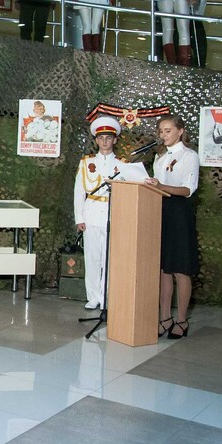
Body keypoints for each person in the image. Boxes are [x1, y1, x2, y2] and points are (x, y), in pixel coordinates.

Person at [144, 115, 200, 339]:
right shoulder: (160, 157)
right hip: (161, 211)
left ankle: (182, 319)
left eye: (167, 131)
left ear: (180, 131)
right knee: (163, 269)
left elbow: (188, 189)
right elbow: (157, 186)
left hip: (179, 212)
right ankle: (165, 317)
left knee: (180, 269)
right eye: (160, 131)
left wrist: (161, 185)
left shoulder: (190, 156)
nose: (163, 135)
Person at [73, 116, 126, 310]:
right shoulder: (87, 163)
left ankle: (106, 297)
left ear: (115, 140)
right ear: (96, 140)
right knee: (92, 258)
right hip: (92, 214)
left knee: (109, 258)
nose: (105, 142)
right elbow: (79, 192)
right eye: (101, 138)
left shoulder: (122, 164)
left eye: (109, 138)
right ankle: (93, 297)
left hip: (112, 216)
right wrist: (80, 217)